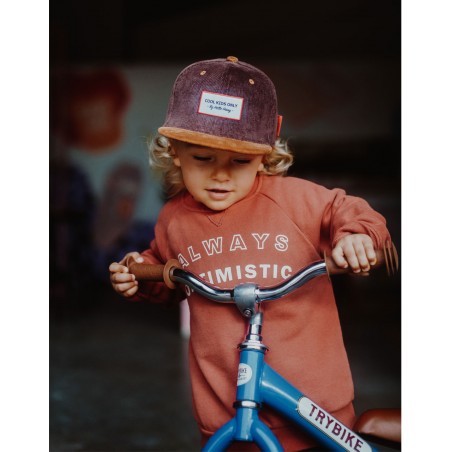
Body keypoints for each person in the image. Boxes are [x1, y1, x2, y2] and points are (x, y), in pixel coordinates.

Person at [109, 56, 392, 451]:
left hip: (315, 408)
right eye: (203, 158)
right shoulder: (174, 219)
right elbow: (166, 273)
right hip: (227, 410)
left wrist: (356, 237)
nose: (220, 174)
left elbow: (347, 210)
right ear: (175, 151)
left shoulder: (295, 200)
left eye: (239, 161)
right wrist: (138, 276)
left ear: (264, 156)